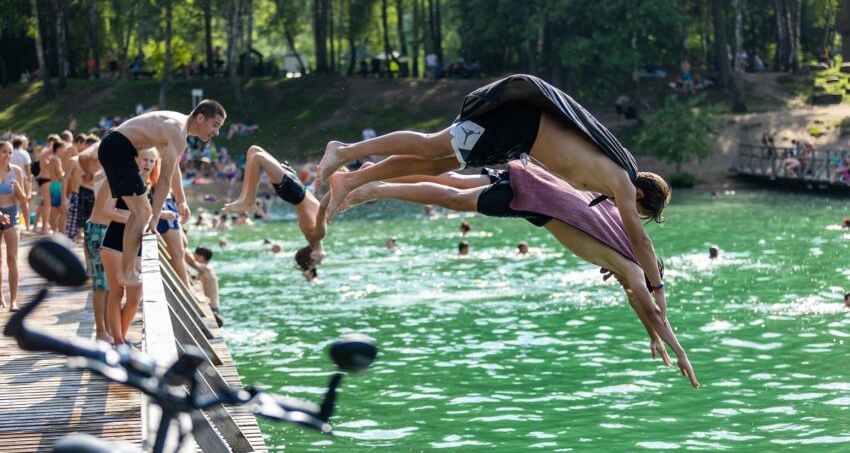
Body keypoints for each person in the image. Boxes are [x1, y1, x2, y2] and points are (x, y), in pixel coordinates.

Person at [317, 74, 670, 314]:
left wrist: (618, 266)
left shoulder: (606, 185)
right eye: (638, 211)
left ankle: (356, 180)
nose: (631, 216)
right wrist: (659, 290)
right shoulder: (622, 181)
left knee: (438, 163)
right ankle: (346, 151)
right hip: (516, 125)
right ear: (640, 193)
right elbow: (641, 242)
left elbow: (618, 236)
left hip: (516, 138)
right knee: (430, 147)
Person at [339, 160, 698, 388]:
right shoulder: (633, 262)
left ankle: (371, 172)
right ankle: (376, 188)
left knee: (455, 182)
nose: (624, 285)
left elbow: (640, 302)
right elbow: (644, 300)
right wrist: (678, 349)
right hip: (534, 200)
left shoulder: (617, 219)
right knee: (454, 198)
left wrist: (652, 333)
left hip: (535, 184)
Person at [98, 99, 226, 286]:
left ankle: (127, 270)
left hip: (116, 147)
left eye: (219, 127)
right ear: (200, 117)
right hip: (118, 149)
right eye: (215, 125)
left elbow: (173, 170)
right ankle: (127, 272)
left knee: (140, 212)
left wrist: (181, 201)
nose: (217, 132)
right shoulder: (178, 131)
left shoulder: (176, 127)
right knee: (143, 212)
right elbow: (164, 179)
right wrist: (155, 219)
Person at [221, 145, 330, 278]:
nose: (321, 262)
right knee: (253, 151)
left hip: (294, 191)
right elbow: (312, 199)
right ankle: (245, 199)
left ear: (313, 255)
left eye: (317, 263)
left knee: (258, 157)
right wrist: (325, 175)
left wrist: (338, 190)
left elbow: (323, 207)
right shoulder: (314, 236)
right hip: (296, 188)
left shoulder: (318, 235)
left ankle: (248, 201)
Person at [100, 147, 160, 346]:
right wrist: (138, 218)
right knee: (116, 293)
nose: (148, 164)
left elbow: (144, 216)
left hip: (137, 246)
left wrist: (151, 217)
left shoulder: (149, 185)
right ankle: (119, 342)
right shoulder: (122, 178)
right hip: (114, 243)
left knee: (135, 297)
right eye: (145, 159)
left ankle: (121, 338)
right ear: (136, 159)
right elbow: (109, 210)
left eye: (152, 161)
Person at [85, 171, 114, 342]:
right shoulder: (113, 174)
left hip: (107, 230)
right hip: (99, 230)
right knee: (100, 284)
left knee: (110, 284)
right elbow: (110, 210)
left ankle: (108, 329)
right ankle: (101, 332)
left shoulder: (102, 174)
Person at [0, 141, 28, 311]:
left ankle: (13, 301)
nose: (8, 155)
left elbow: (24, 199)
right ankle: (0, 296)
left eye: (10, 152)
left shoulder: (16, 171)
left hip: (11, 213)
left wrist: (17, 187)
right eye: (4, 152)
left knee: (13, 259)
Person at [184, 243, 225, 327]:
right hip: (213, 307)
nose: (194, 257)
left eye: (195, 256)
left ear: (201, 257)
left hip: (213, 309)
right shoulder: (206, 269)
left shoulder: (207, 269)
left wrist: (181, 249)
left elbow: (192, 263)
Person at [10, 136, 31, 231]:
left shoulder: (10, 153)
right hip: (23, 178)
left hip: (10, 178)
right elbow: (27, 168)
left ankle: (13, 224)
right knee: (24, 202)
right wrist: (30, 180)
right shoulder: (24, 153)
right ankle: (27, 226)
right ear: (21, 143)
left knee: (12, 202)